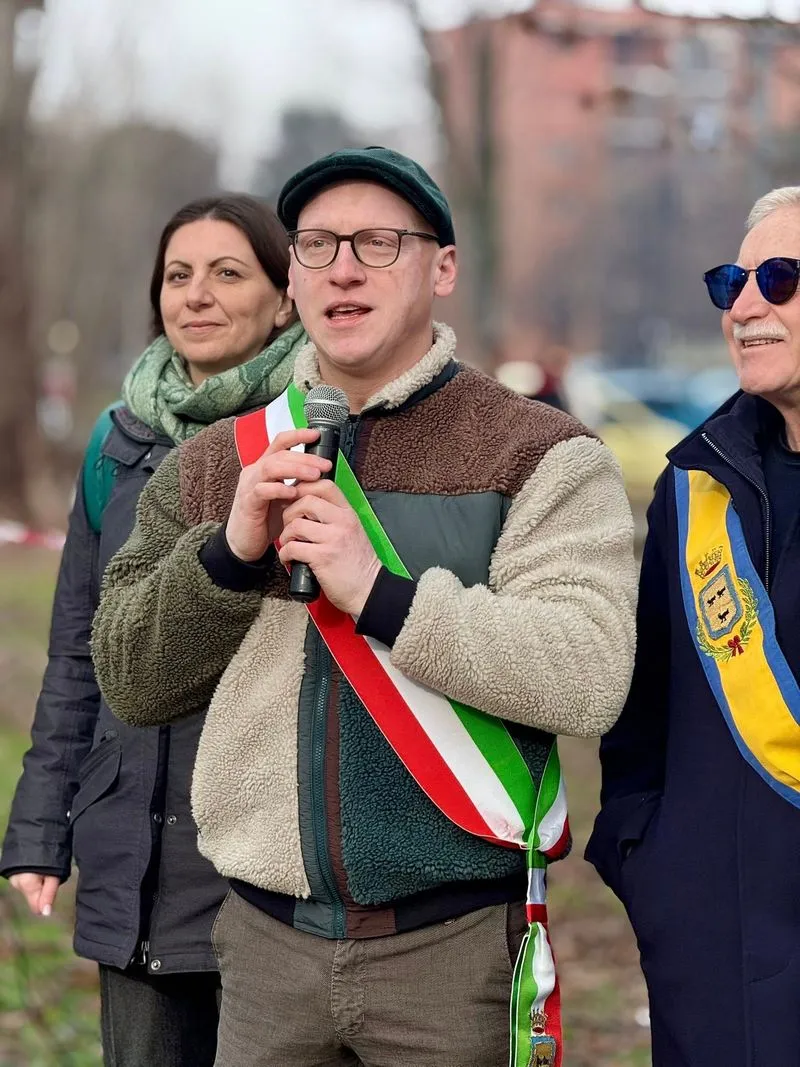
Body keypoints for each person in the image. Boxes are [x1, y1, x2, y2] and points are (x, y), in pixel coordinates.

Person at [92, 146, 637, 1067]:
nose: (343, 266)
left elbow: (587, 675)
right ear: (294, 278)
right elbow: (128, 677)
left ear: (444, 267)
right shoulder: (216, 462)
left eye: (379, 242)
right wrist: (227, 556)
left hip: (454, 951)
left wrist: (381, 596)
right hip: (263, 954)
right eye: (316, 245)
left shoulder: (544, 453)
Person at [0, 193, 306, 1067]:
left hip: (267, 856)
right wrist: (41, 827)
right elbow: (76, 652)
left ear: (284, 297)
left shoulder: (315, 430)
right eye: (178, 275)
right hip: (132, 852)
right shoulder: (115, 441)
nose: (195, 296)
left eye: (226, 272)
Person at [586, 185, 800, 1067]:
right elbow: (643, 720)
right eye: (731, 282)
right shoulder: (693, 487)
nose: (745, 305)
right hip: (715, 969)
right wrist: (653, 870)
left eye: (780, 279)